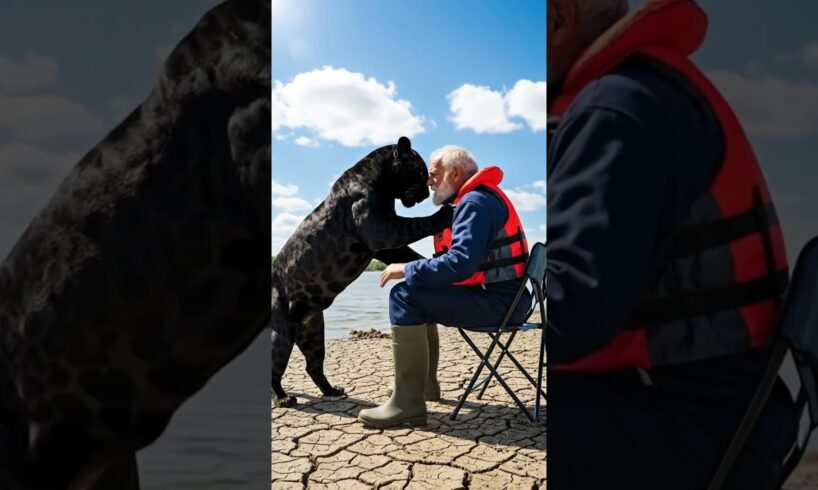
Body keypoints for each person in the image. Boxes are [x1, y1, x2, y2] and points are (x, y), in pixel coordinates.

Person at [546, 0, 797, 488]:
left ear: (559, 19)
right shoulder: (641, 90)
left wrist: (495, 310)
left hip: (688, 425)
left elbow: (574, 309)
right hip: (736, 412)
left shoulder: (613, 111)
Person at [356, 145, 531, 428]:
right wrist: (418, 271)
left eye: (434, 174)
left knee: (404, 295)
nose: (428, 181)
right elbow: (463, 264)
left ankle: (408, 404)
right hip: (510, 300)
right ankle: (424, 387)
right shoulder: (480, 198)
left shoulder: (474, 203)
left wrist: (407, 268)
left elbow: (461, 263)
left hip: (499, 305)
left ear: (456, 172)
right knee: (419, 290)